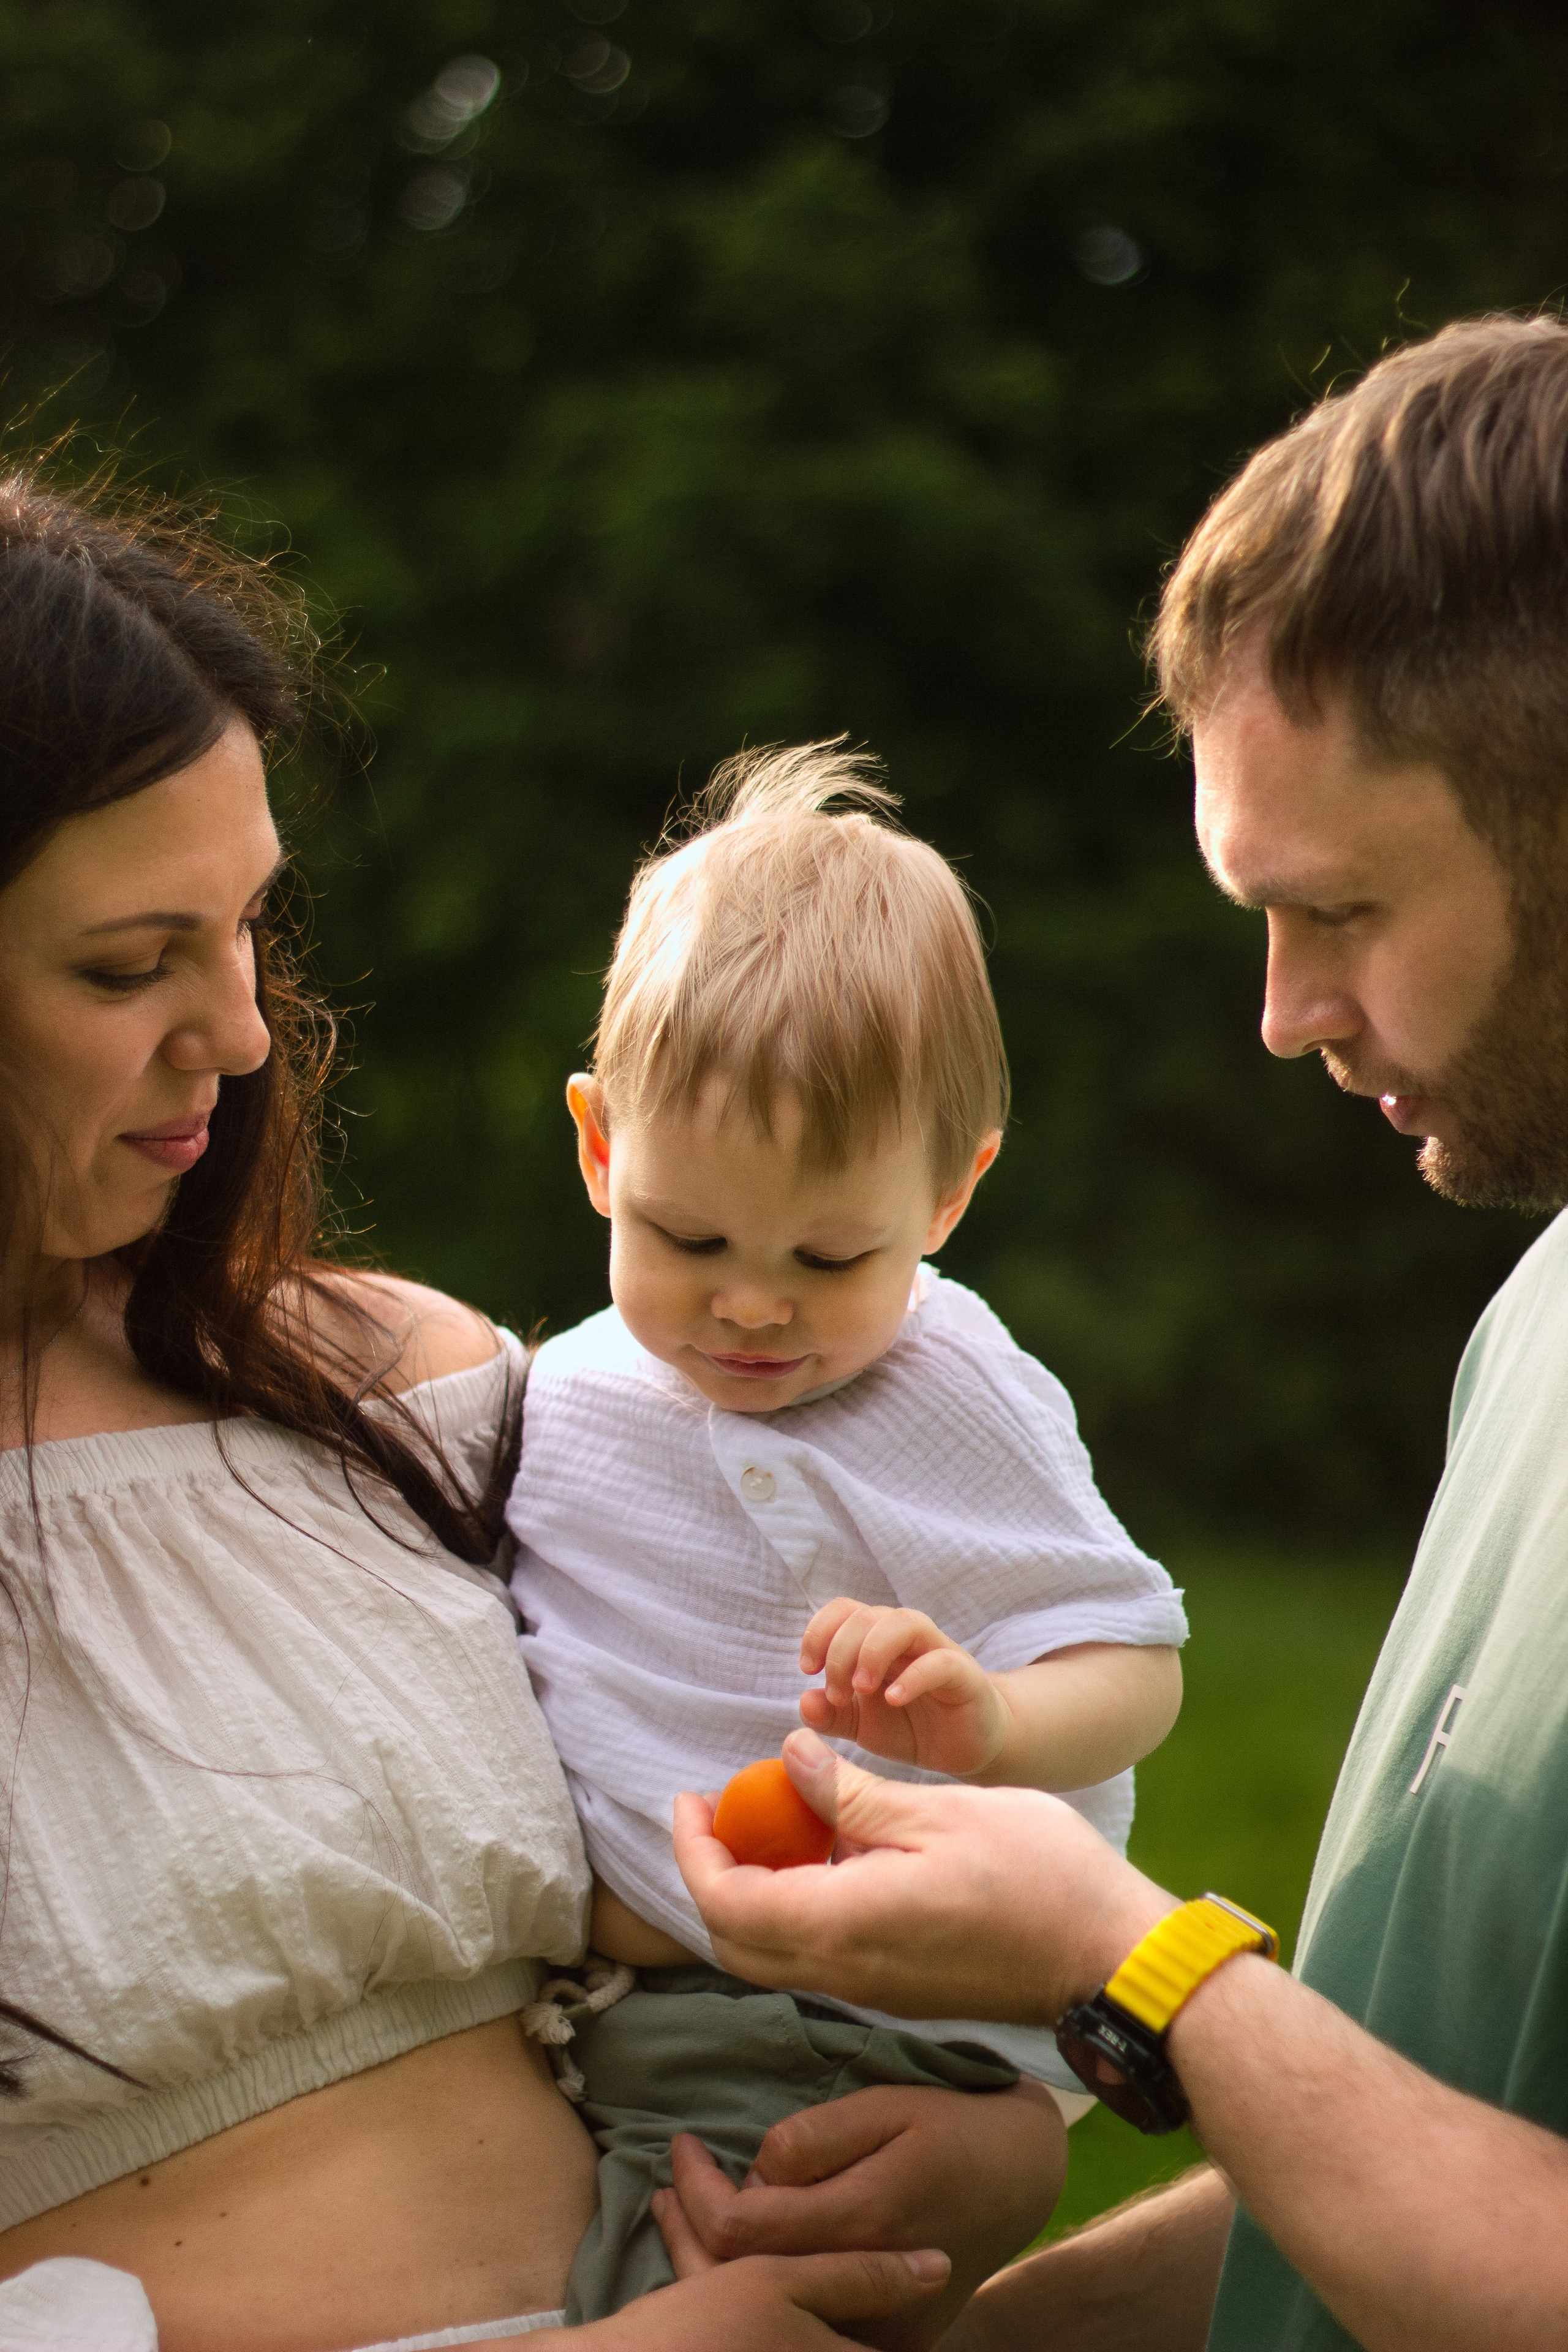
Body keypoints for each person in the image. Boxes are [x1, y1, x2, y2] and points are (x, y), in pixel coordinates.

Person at [0, 465, 1065, 2351]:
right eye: (124, 963)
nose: (242, 1032)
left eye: (248, 927)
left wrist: (991, 2131)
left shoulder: (423, 1395)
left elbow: (778, 1795)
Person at [671, 311, 1568, 2352]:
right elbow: (1449, 2121)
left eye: (1339, 911)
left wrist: (1120, 1955)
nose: (1284, 1013)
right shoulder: (1538, 1317)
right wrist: (999, 2333)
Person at [506, 749, 1186, 2318]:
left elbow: (1134, 1660)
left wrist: (997, 1712)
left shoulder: (953, 1392)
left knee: (682, 2285)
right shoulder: (563, 1391)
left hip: (840, 2012)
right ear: (601, 1148)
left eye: (829, 1254)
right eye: (685, 1238)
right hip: (612, 1987)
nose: (749, 1303)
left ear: (950, 1196)